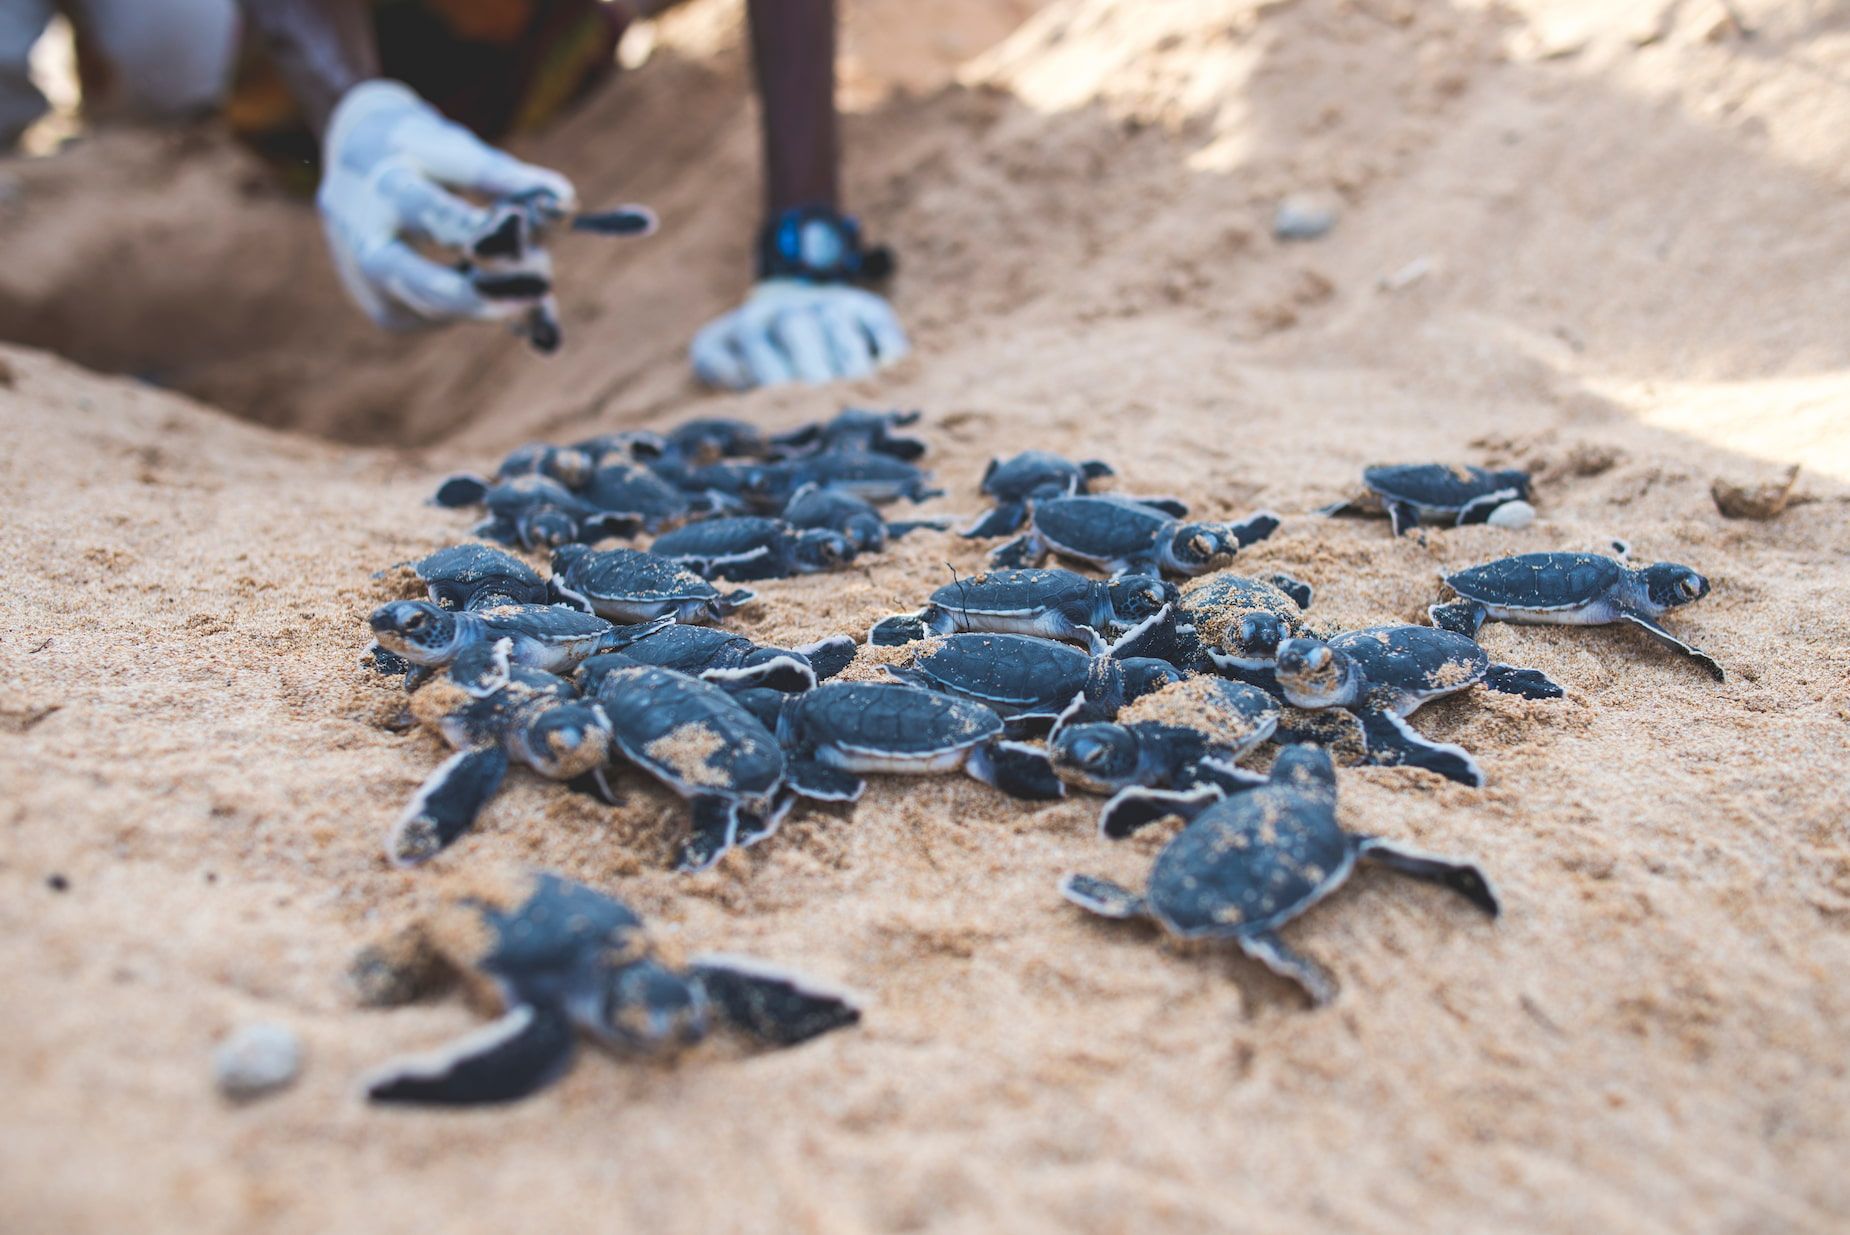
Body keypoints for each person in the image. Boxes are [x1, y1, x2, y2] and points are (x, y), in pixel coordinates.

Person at [0, 0, 908, 390]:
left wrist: (805, 235)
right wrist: (354, 110)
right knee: (167, 62)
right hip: (241, 75)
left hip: (514, 58)